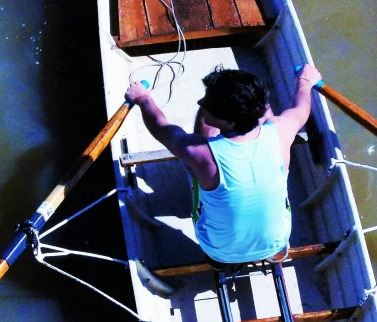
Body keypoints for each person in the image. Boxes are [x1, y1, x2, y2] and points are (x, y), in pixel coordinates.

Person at [124, 63, 322, 264]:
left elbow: (161, 128)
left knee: (198, 160)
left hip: (218, 251)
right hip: (276, 243)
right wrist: (305, 82)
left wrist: (143, 99)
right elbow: (301, 108)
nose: (201, 102)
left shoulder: (198, 152)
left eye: (208, 104)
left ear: (230, 122)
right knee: (267, 113)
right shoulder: (282, 130)